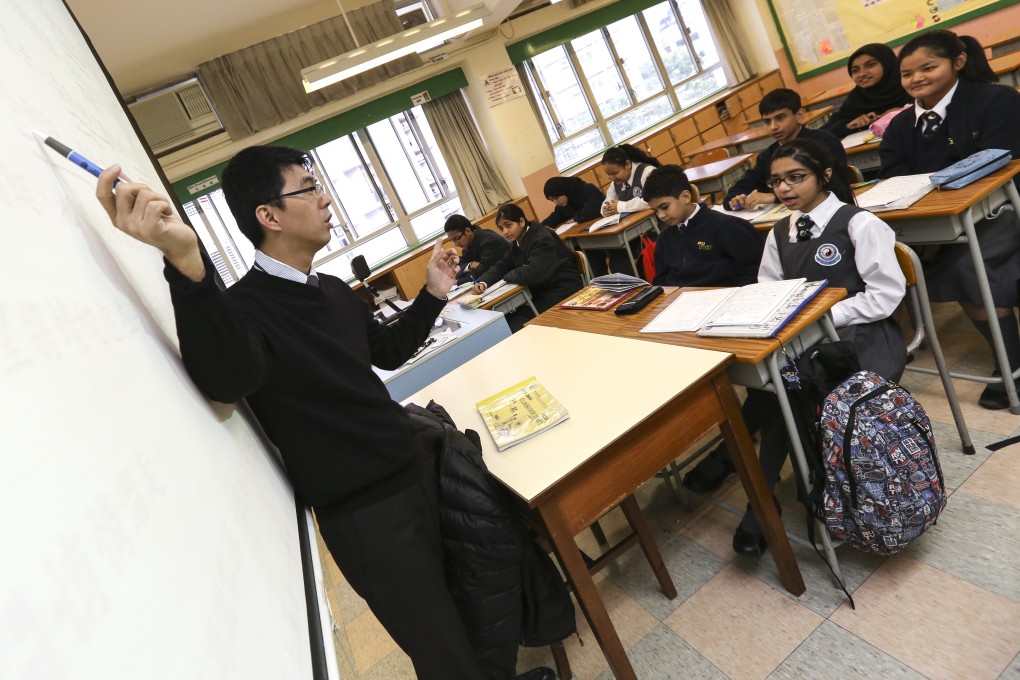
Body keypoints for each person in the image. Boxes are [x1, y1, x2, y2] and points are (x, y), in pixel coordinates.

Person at [95, 146, 491, 680]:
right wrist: (186, 264)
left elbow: (387, 351)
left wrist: (434, 294)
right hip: (365, 511)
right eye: (308, 187)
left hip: (416, 466)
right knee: (439, 646)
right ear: (269, 215)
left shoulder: (329, 289)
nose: (326, 197)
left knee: (468, 600)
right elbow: (225, 378)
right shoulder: (242, 308)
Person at [685, 138, 906, 555]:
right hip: (805, 341)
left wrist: (818, 318)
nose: (785, 189)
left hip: (859, 340)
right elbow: (771, 289)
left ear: (824, 175)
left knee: (782, 393)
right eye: (776, 181)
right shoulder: (779, 231)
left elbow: (885, 296)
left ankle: (759, 500)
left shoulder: (859, 224)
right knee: (778, 388)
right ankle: (762, 498)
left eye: (796, 178)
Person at [879, 29, 1020, 409]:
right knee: (891, 260)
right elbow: (895, 176)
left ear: (957, 62)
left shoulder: (996, 99)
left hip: (1000, 208)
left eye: (929, 67)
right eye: (908, 74)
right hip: (936, 223)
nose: (917, 80)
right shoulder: (899, 125)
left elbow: (1003, 161)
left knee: (967, 266)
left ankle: (1010, 365)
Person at [724, 88, 849, 211]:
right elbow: (748, 183)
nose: (773, 127)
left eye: (780, 118)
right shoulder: (768, 155)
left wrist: (774, 196)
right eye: (767, 121)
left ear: (799, 115)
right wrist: (736, 197)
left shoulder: (824, 141)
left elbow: (835, 183)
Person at [642, 165, 764, 287]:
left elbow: (753, 273)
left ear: (686, 197)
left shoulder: (729, 227)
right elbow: (661, 282)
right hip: (683, 301)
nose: (661, 215)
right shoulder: (664, 238)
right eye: (656, 211)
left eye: (664, 207)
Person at [472, 203, 583, 331]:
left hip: (562, 290)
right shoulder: (518, 241)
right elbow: (501, 266)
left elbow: (533, 273)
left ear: (522, 222)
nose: (505, 232)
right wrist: (482, 283)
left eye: (508, 225)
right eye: (501, 228)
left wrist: (508, 275)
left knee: (515, 324)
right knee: (507, 320)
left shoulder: (541, 238)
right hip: (542, 292)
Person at [820, 43, 912, 139]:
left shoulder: (909, 86)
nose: (862, 74)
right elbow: (823, 133)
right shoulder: (856, 98)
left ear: (887, 63)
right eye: (855, 70)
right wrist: (847, 126)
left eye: (870, 65)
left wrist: (903, 111)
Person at [444, 213, 510, 285]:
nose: (456, 244)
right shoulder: (468, 246)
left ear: (468, 231)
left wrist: (457, 282)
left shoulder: (490, 241)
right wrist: (470, 265)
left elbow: (482, 272)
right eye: (452, 240)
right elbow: (458, 267)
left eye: (456, 238)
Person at [599, 144, 661, 216]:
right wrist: (605, 210)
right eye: (609, 174)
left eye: (615, 173)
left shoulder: (647, 172)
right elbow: (608, 201)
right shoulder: (615, 182)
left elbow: (652, 200)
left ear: (627, 164)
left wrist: (621, 206)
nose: (612, 178)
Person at [540, 176, 605, 228]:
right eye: (552, 200)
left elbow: (597, 207)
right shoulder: (563, 205)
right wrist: (543, 229)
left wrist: (575, 218)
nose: (556, 203)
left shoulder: (587, 189)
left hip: (604, 226)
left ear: (564, 190)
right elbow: (554, 217)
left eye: (556, 198)